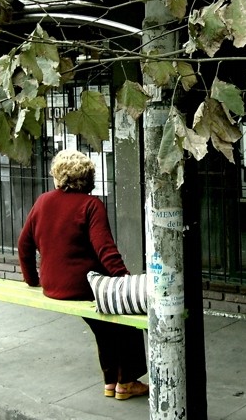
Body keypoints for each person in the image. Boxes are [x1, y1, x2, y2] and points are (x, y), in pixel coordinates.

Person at [17, 149, 149, 400]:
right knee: (127, 321)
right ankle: (126, 382)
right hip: (84, 286)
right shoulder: (91, 204)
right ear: (88, 179)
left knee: (106, 327)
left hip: (52, 285)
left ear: (58, 177)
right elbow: (104, 249)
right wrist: (125, 281)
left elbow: (24, 244)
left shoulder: (43, 201)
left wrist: (32, 280)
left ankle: (113, 382)